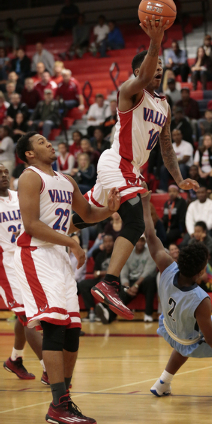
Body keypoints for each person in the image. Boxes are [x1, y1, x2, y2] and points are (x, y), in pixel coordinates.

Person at [77, 17, 199, 319]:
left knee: (84, 217)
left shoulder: (165, 105)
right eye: (152, 65)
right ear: (138, 71)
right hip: (116, 161)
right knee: (134, 222)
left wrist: (180, 179)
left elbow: (167, 147)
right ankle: (109, 282)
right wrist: (155, 43)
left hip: (131, 169)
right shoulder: (130, 92)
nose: (158, 69)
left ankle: (46, 228)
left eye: (160, 67)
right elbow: (145, 74)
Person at [14, 131, 121, 424]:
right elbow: (32, 224)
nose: (48, 143)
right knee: (54, 327)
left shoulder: (66, 180)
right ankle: (58, 404)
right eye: (40, 142)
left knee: (73, 329)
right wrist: (71, 242)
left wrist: (108, 210)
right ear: (29, 154)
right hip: (35, 253)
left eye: (47, 140)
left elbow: (85, 212)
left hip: (58, 257)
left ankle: (63, 399)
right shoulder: (29, 177)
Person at [140, 192, 212, 396]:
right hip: (190, 339)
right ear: (201, 271)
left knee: (186, 331)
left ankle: (162, 383)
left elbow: (150, 235)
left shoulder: (166, 266)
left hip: (170, 327)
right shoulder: (200, 299)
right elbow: (211, 339)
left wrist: (144, 202)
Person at [0, 164, 47, 383]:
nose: (3, 176)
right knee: (30, 318)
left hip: (25, 260)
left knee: (27, 313)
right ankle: (49, 370)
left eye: (5, 173)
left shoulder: (18, 196)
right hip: (5, 266)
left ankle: (15, 359)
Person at [77, 235, 115, 322]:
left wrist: (101, 273)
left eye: (110, 241)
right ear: (103, 243)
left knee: (103, 283)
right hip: (100, 280)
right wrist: (105, 273)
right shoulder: (100, 255)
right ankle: (91, 311)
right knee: (83, 284)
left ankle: (104, 310)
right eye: (106, 242)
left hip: (113, 281)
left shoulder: (116, 255)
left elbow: (115, 272)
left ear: (113, 243)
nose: (108, 244)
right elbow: (95, 274)